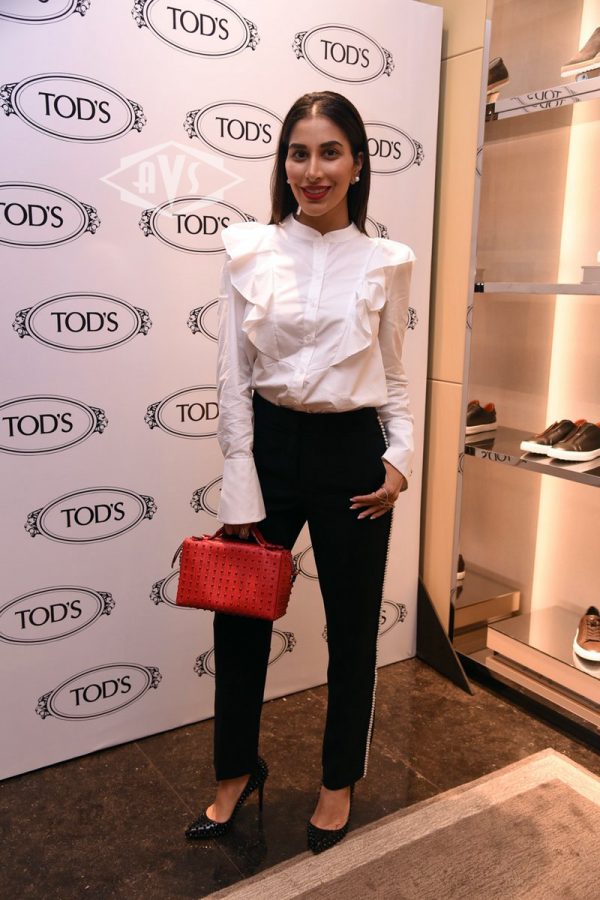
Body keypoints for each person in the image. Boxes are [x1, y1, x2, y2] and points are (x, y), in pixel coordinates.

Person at [185, 90, 416, 854]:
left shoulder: (387, 261)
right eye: (298, 153)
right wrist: (241, 482)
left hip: (353, 452)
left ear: (358, 164)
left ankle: (338, 780)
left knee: (352, 628)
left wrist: (399, 459)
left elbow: (394, 374)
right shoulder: (250, 250)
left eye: (329, 152)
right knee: (239, 623)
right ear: (283, 163)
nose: (312, 170)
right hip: (272, 447)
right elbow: (233, 373)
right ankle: (234, 773)